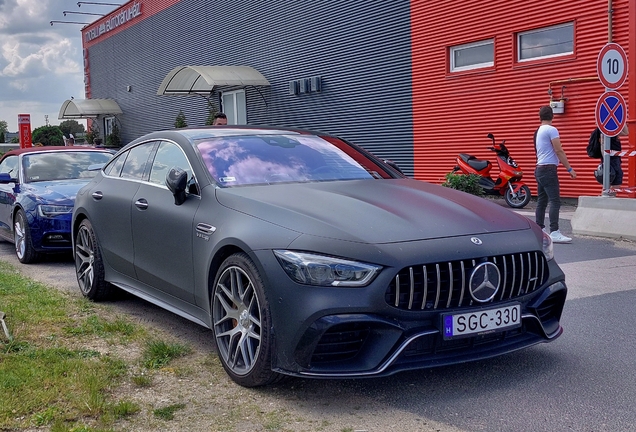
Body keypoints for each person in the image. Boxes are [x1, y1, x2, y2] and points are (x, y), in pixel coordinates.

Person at [534, 105, 576, 243]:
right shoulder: (552, 130)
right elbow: (559, 151)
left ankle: (539, 229)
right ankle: (555, 232)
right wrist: (569, 169)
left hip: (539, 168)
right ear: (552, 116)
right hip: (548, 169)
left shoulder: (538, 130)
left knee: (542, 201)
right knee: (555, 201)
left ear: (540, 117)